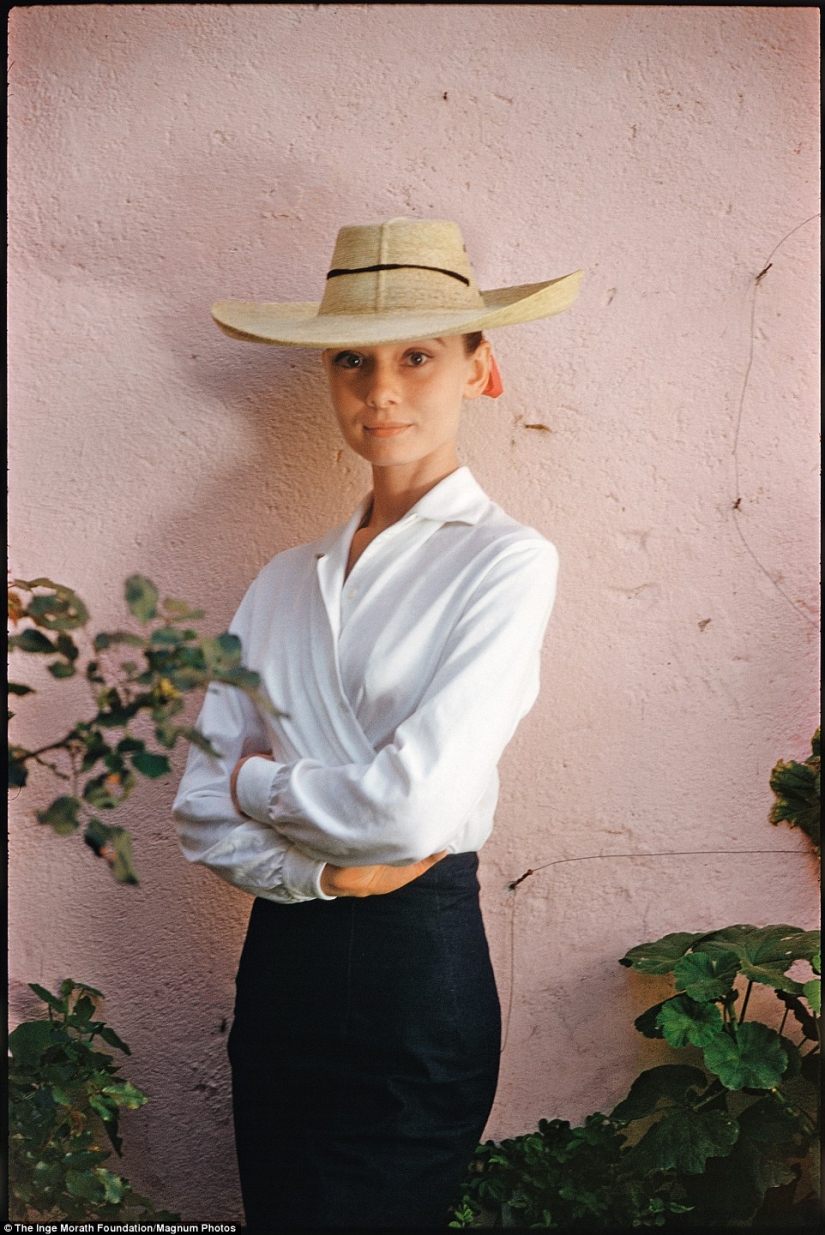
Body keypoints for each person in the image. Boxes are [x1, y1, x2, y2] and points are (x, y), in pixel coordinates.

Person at [172, 217, 582, 1229]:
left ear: (478, 367)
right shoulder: (279, 581)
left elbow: (410, 814)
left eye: (417, 356)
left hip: (414, 973)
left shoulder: (506, 562)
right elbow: (195, 809)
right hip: (280, 967)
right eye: (351, 359)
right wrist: (319, 873)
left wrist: (260, 784)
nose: (380, 389)